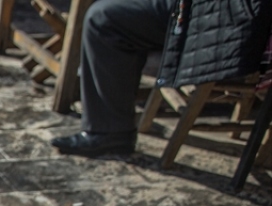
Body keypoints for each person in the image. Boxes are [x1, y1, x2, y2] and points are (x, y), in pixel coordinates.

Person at [51, 0, 272, 157]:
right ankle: (107, 129)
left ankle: (107, 132)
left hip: (231, 18)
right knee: (108, 13)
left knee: (104, 18)